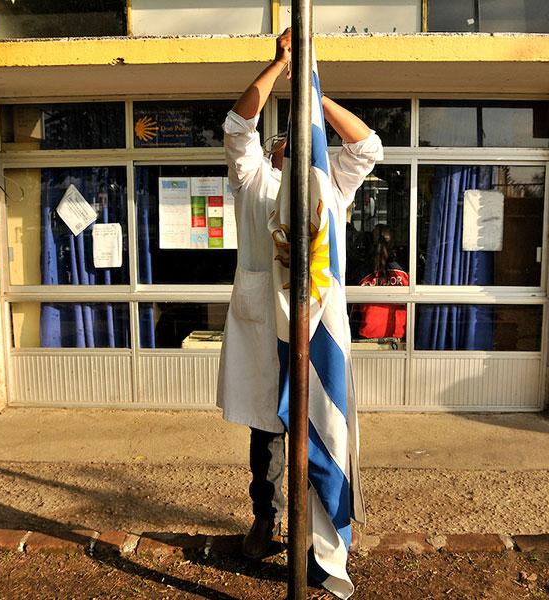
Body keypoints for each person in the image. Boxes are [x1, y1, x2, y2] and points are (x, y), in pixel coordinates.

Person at [216, 28, 384, 559]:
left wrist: (312, 88)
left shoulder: (331, 182)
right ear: (276, 148)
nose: (296, 143)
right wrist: (279, 67)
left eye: (303, 134)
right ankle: (264, 520)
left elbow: (368, 146)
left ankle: (318, 536)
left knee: (322, 429)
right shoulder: (253, 179)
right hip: (264, 324)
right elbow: (238, 125)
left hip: (316, 323)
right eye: (288, 138)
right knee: (268, 433)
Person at [353, 225, 408, 340]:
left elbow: (354, 310)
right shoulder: (402, 272)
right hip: (398, 338)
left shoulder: (362, 272)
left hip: (366, 336)